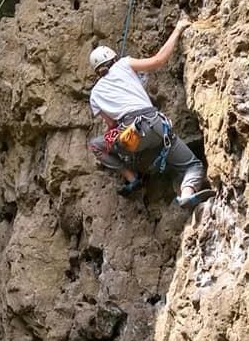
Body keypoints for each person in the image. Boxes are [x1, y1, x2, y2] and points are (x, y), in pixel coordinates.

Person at [88, 19, 214, 205]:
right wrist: (178, 29)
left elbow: (111, 124)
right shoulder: (124, 64)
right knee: (193, 165)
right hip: (155, 126)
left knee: (95, 145)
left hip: (129, 137)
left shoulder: (94, 94)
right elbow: (158, 60)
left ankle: (131, 177)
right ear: (113, 58)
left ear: (96, 71)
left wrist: (115, 141)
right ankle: (187, 194)